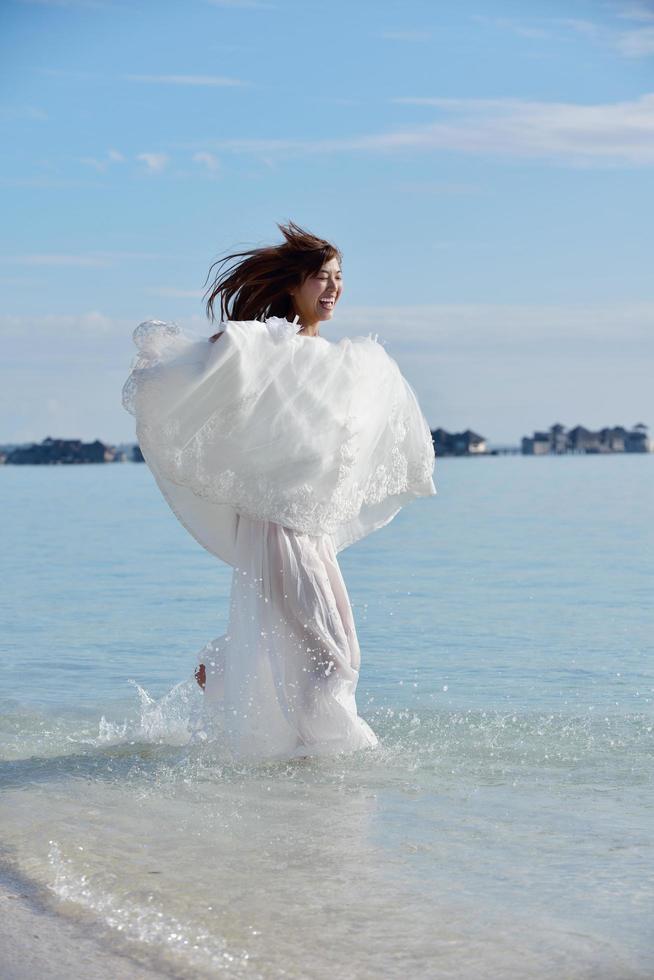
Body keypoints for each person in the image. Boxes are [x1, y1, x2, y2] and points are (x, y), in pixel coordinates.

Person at [122, 221, 436, 762]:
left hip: (307, 530)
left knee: (326, 651)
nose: (333, 288)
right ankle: (341, 765)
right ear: (293, 285)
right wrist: (225, 342)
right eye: (321, 277)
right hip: (276, 523)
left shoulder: (345, 361)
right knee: (335, 662)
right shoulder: (265, 344)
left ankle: (224, 675)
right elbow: (226, 353)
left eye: (339, 277)